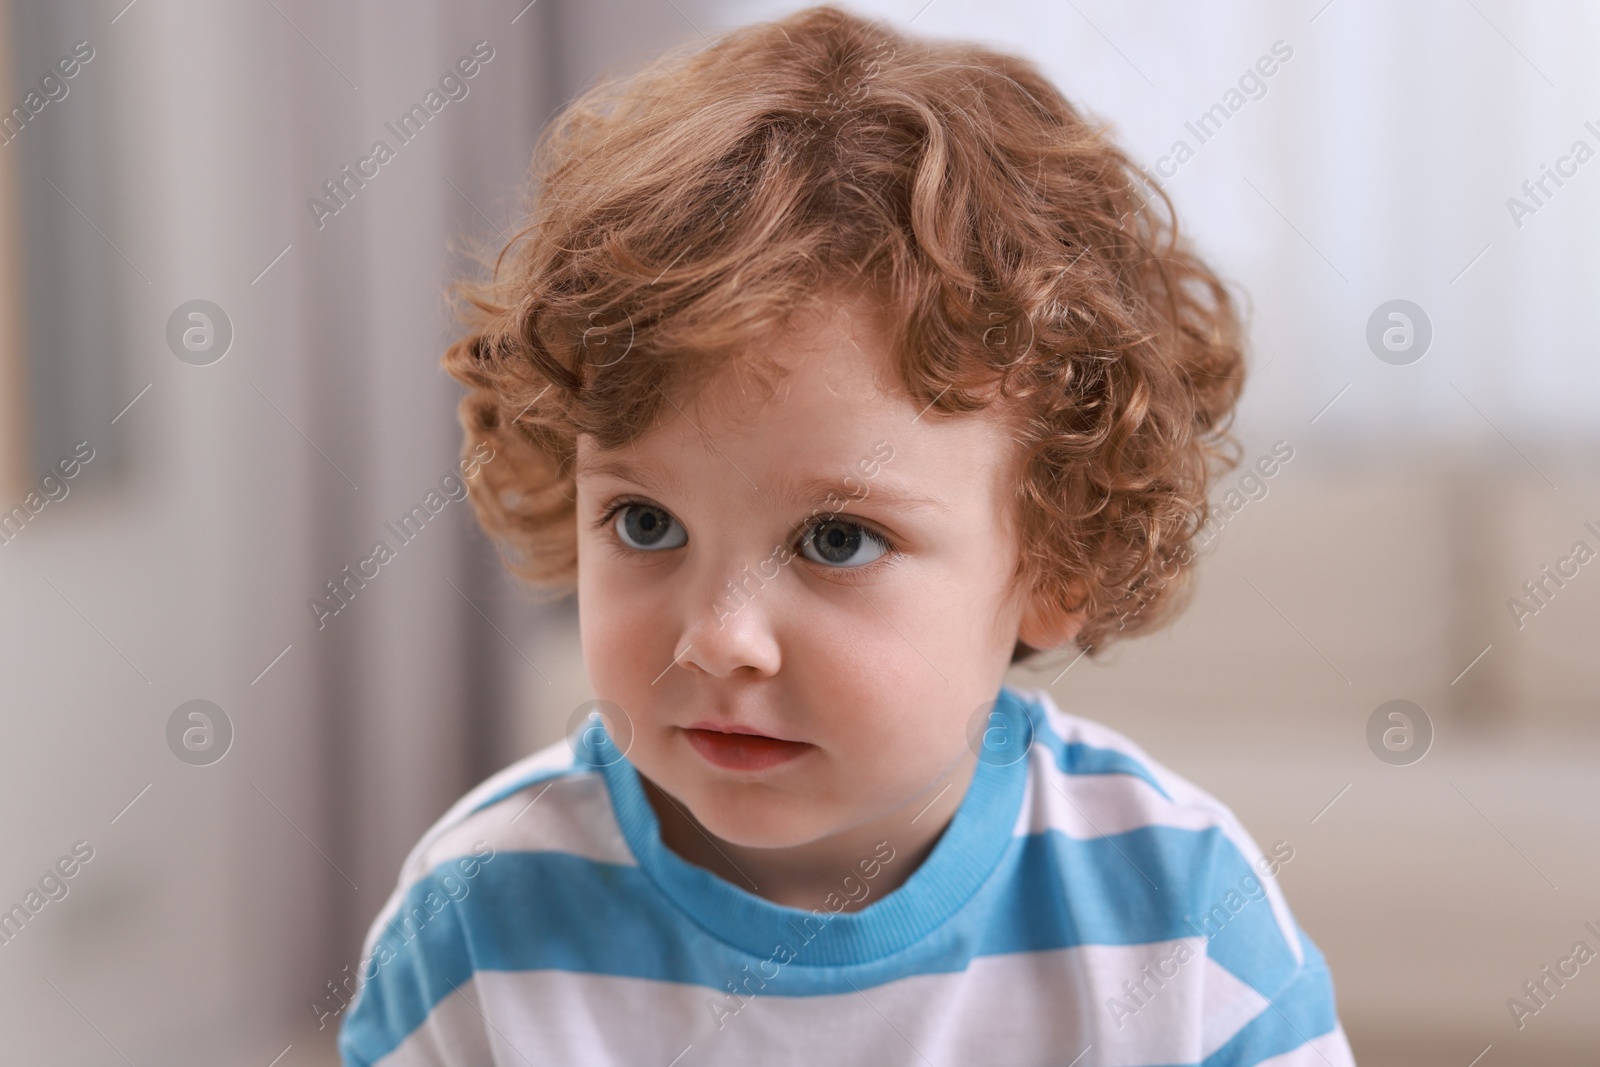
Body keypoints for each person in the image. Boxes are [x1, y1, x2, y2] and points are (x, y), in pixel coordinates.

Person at [338, 5, 1354, 1064]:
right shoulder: (477, 917)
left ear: (1053, 560)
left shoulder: (1177, 911)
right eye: (645, 522)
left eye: (835, 540)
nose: (718, 638)